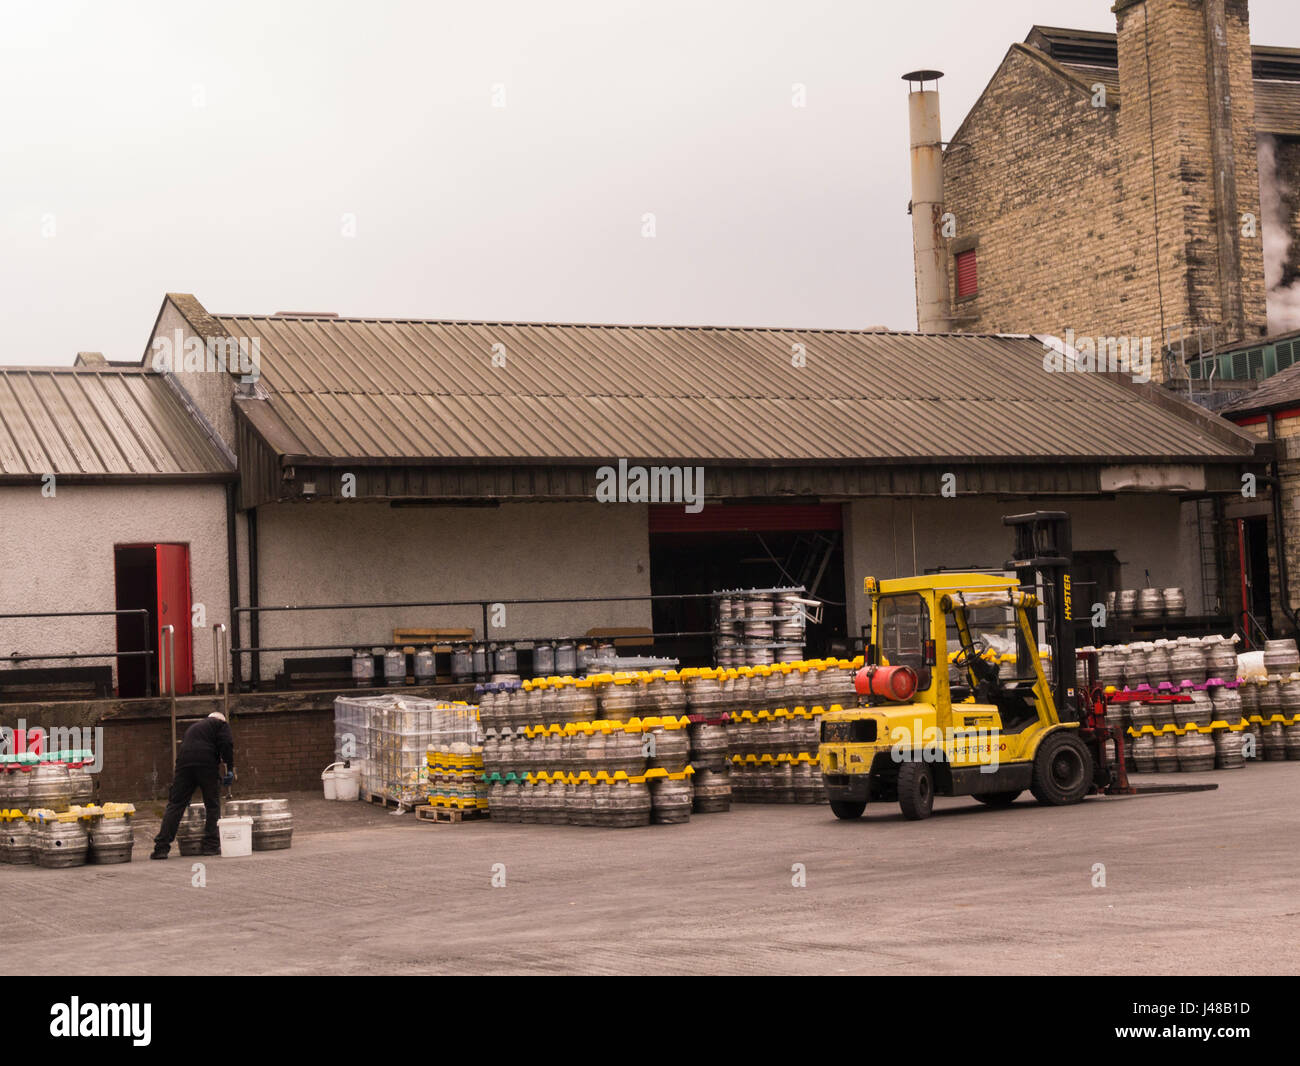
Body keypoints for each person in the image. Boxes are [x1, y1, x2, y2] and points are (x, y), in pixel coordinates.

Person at [151, 710, 235, 859]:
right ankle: (210, 845)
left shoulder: (194, 727)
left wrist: (181, 785)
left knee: (176, 805)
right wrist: (230, 767)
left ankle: (161, 848)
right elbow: (227, 744)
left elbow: (183, 751)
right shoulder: (221, 724)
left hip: (184, 764)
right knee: (212, 805)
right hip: (206, 763)